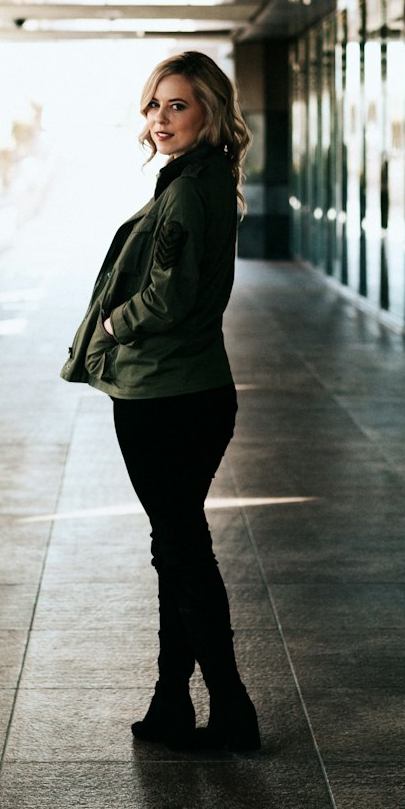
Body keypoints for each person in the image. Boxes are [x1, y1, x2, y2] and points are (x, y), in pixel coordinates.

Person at [61, 50, 259, 752]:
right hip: (197, 390)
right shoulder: (208, 181)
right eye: (153, 105)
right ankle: (172, 699)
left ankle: (230, 708)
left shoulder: (185, 192)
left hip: (163, 397)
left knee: (181, 549)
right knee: (175, 546)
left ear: (209, 111)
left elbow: (167, 296)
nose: (160, 118)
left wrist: (114, 324)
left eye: (177, 105)